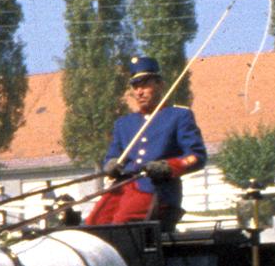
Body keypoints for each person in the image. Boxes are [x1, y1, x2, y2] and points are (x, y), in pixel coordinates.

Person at [86, 53, 206, 228]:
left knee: (122, 225)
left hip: (158, 191)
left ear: (160, 85)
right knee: (94, 224)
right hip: (122, 190)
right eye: (135, 87)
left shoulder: (178, 116)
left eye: (145, 85)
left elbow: (197, 156)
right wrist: (111, 165)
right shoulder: (124, 124)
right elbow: (112, 156)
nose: (139, 92)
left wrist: (168, 167)